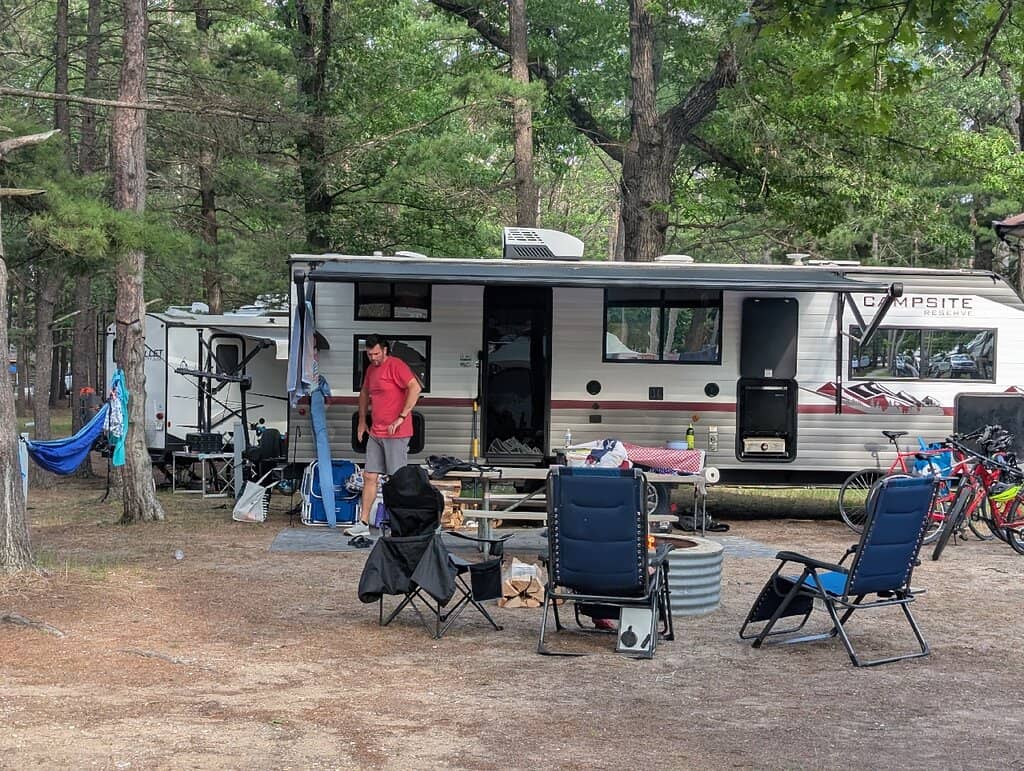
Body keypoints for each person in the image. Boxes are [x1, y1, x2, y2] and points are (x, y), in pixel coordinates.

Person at [345, 335, 422, 536]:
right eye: (370, 354)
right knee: (369, 475)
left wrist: (401, 417)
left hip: (397, 432)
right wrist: (362, 420)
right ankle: (363, 523)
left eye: (376, 354)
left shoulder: (397, 365)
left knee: (396, 479)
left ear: (385, 350)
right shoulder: (371, 369)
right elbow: (364, 393)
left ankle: (401, 524)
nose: (373, 358)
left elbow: (416, 387)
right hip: (377, 431)